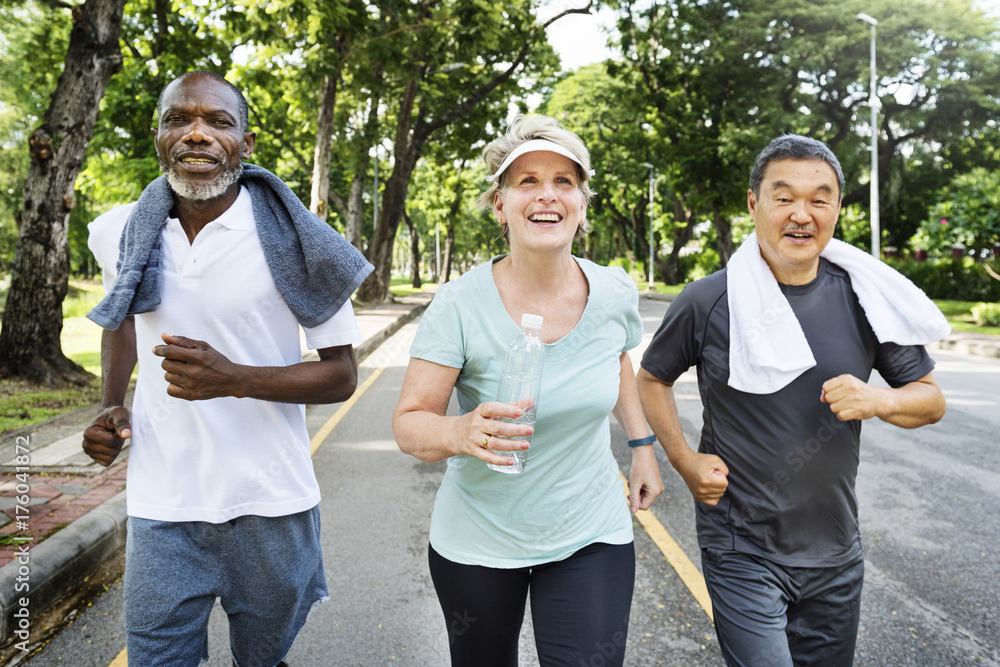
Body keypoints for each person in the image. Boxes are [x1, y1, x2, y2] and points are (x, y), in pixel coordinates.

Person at [82, 70, 373, 667]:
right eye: (178, 120)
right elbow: (122, 318)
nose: (197, 134)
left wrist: (233, 379)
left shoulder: (299, 241)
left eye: (218, 121)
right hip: (163, 502)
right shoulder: (119, 231)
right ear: (158, 134)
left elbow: (342, 375)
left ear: (246, 142)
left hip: (270, 503)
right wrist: (113, 404)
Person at [637, 133, 948, 667]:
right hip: (742, 547)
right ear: (754, 203)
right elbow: (651, 379)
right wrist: (685, 461)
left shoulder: (864, 298)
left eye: (819, 198)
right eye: (784, 197)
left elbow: (930, 400)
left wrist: (878, 400)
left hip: (836, 552)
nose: (801, 213)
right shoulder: (708, 300)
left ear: (837, 209)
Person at [392, 115, 663, 667]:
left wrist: (642, 447)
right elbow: (410, 423)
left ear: (582, 204)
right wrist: (461, 430)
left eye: (564, 181)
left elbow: (615, 360)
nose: (548, 195)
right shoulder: (459, 305)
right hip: (479, 540)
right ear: (500, 204)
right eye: (528, 181)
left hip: (590, 529)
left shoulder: (612, 290)